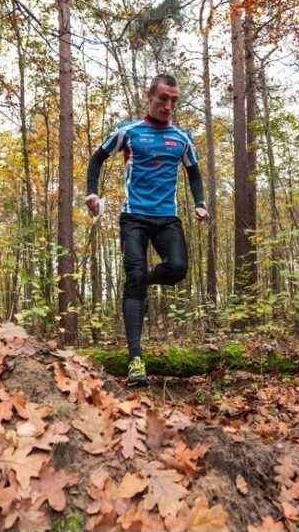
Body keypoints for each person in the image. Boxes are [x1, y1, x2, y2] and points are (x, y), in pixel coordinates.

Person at [85, 74, 208, 386]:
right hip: (134, 217)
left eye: (174, 100)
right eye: (163, 98)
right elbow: (97, 158)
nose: (168, 105)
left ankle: (144, 283)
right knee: (134, 275)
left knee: (178, 268)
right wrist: (92, 192)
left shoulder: (181, 137)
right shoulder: (128, 131)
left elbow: (193, 171)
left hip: (167, 217)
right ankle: (135, 358)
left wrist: (200, 201)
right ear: (148, 97)